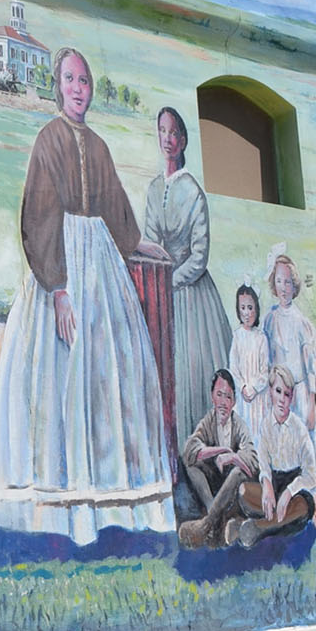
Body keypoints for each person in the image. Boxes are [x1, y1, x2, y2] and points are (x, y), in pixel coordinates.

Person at [0, 47, 173, 546]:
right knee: (59, 380)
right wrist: (59, 289)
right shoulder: (47, 141)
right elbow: (38, 220)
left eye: (85, 80)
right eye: (69, 79)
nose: (77, 88)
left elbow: (114, 206)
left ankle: (111, 504)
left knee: (108, 376)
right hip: (63, 268)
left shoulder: (99, 145)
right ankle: (60, 511)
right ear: (57, 86)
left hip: (102, 268)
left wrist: (137, 242)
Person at [141, 106, 233, 446]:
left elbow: (199, 256)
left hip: (192, 298)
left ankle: (194, 450)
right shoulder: (153, 189)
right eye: (162, 131)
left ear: (183, 140)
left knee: (190, 371)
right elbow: (149, 240)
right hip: (159, 291)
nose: (167, 139)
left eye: (173, 133)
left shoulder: (193, 192)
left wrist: (170, 280)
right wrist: (154, 278)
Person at [235, 365, 316, 546]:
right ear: (270, 392)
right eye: (278, 392)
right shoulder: (265, 425)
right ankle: (278, 522)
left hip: (293, 488)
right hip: (274, 483)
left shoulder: (299, 429)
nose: (281, 399)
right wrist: (267, 485)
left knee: (305, 506)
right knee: (244, 492)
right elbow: (263, 463)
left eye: (286, 394)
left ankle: (259, 527)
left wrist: (289, 492)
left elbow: (311, 476)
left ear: (292, 397)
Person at [178, 370, 259, 549]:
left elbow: (252, 460)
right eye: (219, 395)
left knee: (239, 472)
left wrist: (233, 457)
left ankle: (206, 525)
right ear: (212, 397)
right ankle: (212, 517)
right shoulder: (209, 420)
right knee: (191, 465)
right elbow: (189, 450)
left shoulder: (239, 425)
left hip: (233, 491)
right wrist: (220, 450)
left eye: (228, 397)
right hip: (215, 488)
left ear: (234, 401)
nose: (223, 402)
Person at [262, 249, 316, 438]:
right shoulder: (269, 319)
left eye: (287, 282)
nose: (283, 288)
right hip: (278, 393)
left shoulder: (301, 322)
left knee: (301, 438)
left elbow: (310, 368)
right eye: (279, 281)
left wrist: (311, 403)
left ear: (294, 286)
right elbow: (267, 360)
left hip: (298, 392)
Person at [230, 283, 271, 433]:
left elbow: (264, 371)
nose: (246, 313)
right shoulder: (237, 336)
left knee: (259, 431)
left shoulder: (261, 338)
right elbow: (233, 368)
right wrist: (243, 387)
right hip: (242, 397)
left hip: (259, 397)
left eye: (250, 308)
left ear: (256, 309)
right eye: (243, 308)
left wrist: (254, 388)